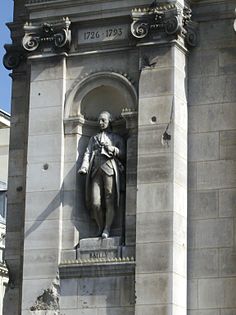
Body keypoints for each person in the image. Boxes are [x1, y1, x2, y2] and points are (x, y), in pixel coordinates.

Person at [79, 111, 125, 239]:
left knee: (110, 199)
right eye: (99, 120)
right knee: (95, 203)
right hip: (95, 171)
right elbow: (87, 153)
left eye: (103, 120)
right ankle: (100, 226)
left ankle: (107, 228)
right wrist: (84, 166)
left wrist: (114, 149)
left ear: (109, 121)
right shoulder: (93, 138)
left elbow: (124, 154)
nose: (100, 123)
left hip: (110, 169)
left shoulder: (116, 138)